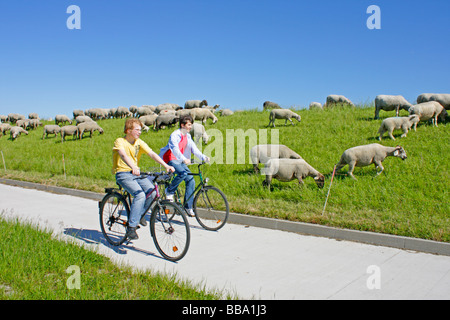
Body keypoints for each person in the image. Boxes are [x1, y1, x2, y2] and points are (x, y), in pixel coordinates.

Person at [113, 118, 174, 240]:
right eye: (137, 130)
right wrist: (133, 166)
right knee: (140, 195)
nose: (140, 132)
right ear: (128, 130)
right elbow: (123, 154)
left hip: (135, 173)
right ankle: (131, 227)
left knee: (152, 191)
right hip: (123, 173)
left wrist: (166, 166)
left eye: (141, 130)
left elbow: (152, 154)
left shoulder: (139, 142)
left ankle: (139, 215)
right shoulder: (120, 141)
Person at [159, 115, 210, 216]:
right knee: (183, 173)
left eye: (191, 125)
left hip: (180, 160)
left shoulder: (188, 136)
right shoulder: (175, 135)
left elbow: (194, 149)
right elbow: (174, 149)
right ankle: (169, 191)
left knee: (191, 179)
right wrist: (184, 159)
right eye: (189, 125)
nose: (190, 127)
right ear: (182, 125)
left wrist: (203, 157)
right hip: (170, 159)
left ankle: (187, 207)